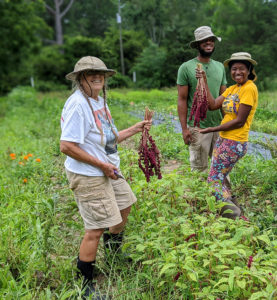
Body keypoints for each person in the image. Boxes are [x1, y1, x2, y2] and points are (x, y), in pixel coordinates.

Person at [60, 56, 152, 299]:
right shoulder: (78, 105)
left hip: (108, 168)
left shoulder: (98, 100)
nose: (97, 77)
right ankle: (85, 284)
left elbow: (107, 138)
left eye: (100, 73)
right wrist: (102, 165)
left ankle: (113, 255)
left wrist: (134, 129)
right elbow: (67, 146)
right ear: (80, 78)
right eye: (90, 74)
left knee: (125, 205)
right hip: (89, 174)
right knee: (96, 228)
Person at [197, 52, 258, 219]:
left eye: (241, 69)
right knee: (220, 179)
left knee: (213, 182)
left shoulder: (249, 88)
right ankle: (232, 210)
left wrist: (212, 129)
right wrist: (203, 81)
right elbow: (212, 105)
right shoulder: (233, 89)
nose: (237, 72)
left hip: (235, 142)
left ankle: (237, 218)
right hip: (225, 139)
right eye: (234, 69)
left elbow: (240, 121)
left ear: (249, 69)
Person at [177, 26, 227, 172]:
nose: (208, 43)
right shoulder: (186, 68)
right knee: (199, 170)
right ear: (198, 44)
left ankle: (224, 195)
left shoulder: (219, 67)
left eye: (211, 40)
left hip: (219, 126)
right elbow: (182, 99)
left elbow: (224, 98)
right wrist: (185, 129)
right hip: (198, 128)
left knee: (222, 168)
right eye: (204, 41)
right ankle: (199, 196)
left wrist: (227, 124)